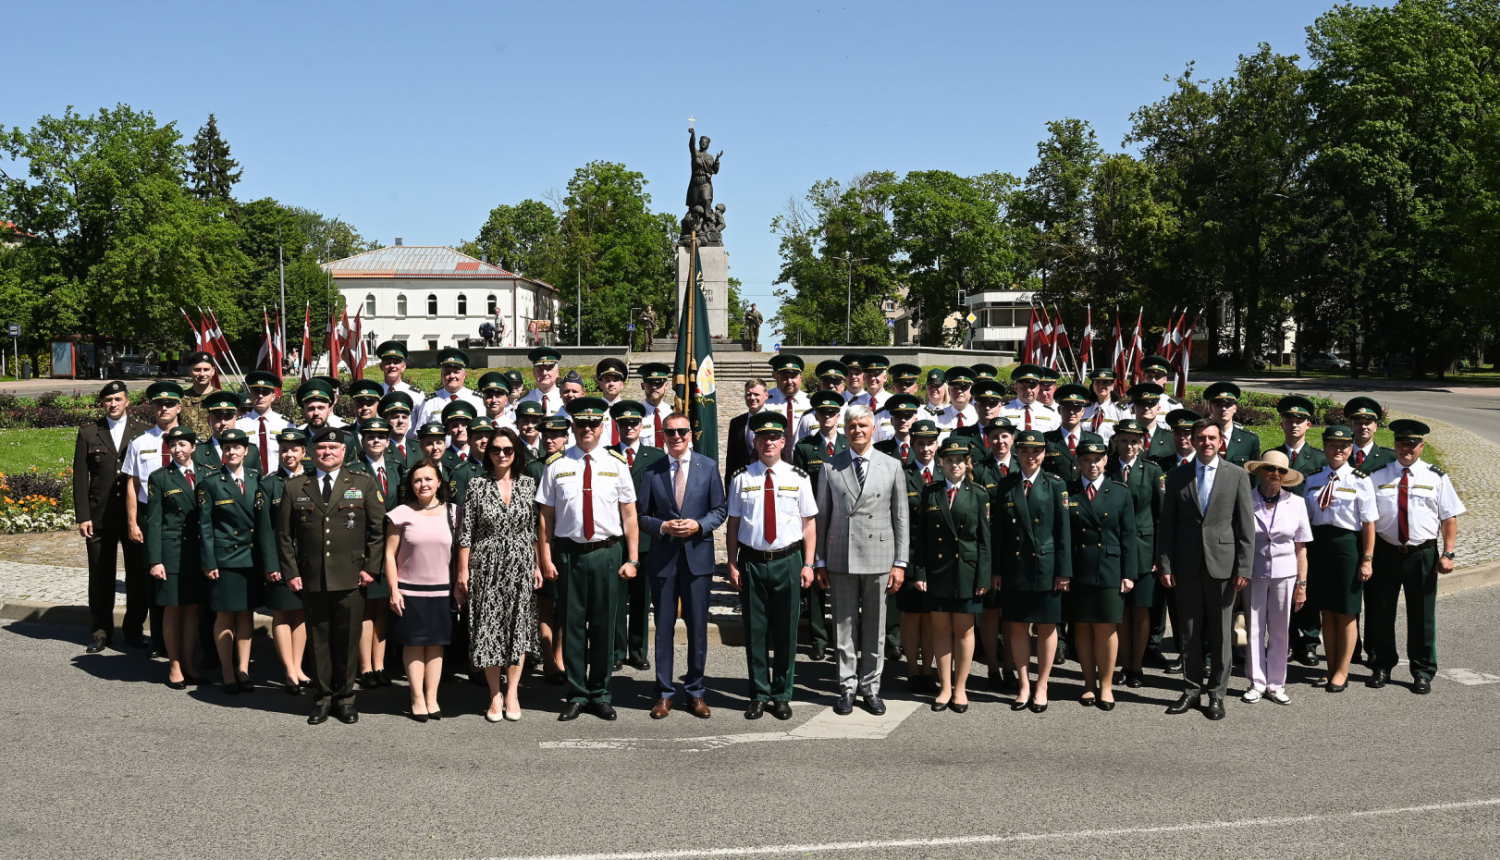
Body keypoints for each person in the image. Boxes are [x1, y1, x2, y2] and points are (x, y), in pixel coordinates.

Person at [535, 397, 641, 722]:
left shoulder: (616, 464)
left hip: (607, 553)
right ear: (573, 428)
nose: (587, 430)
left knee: (604, 625)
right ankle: (577, 693)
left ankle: (601, 694)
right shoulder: (556, 465)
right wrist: (545, 558)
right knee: (573, 627)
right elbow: (544, 519)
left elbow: (630, 516)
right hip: (569, 554)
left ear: (602, 426)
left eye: (593, 424)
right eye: (581, 424)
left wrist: (632, 559)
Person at [275, 427, 387, 725]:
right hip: (311, 577)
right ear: (312, 451)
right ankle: (323, 698)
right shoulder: (296, 486)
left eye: (333, 448)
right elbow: (284, 536)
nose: (327, 452)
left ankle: (346, 698)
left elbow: (378, 531)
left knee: (347, 640)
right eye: (321, 447)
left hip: (352, 576)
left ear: (344, 452)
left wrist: (371, 568)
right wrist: (291, 572)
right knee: (318, 639)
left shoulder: (362, 483)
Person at [813, 404, 908, 717]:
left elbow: (900, 518)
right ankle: (847, 686)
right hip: (842, 557)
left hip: (880, 558)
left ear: (873, 429)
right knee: (843, 628)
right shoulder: (830, 467)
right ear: (845, 429)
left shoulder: (892, 465)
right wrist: (820, 562)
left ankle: (871, 686)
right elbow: (822, 517)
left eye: (863, 426)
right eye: (852, 426)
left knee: (874, 629)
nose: (857, 431)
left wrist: (900, 563)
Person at [1158, 419, 1255, 720]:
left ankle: (1216, 694)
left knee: (1221, 634)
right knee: (1188, 632)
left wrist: (1244, 567)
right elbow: (1168, 525)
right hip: (1186, 566)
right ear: (1193, 440)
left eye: (1212, 437)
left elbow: (1245, 527)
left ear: (1220, 442)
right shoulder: (1178, 475)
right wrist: (1165, 564)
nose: (1206, 442)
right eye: (1201, 437)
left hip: (1223, 567)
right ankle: (1190, 690)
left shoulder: (1236, 475)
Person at [726, 411, 818, 720]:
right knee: (755, 632)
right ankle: (758, 694)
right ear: (755, 441)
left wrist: (808, 563)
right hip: (752, 561)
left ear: (783, 441)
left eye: (774, 437)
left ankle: (781, 694)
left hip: (788, 561)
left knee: (786, 632)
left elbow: (808, 525)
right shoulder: (742, 478)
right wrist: (732, 562)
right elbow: (733, 525)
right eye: (762, 437)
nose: (768, 442)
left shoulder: (798, 477)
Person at [637, 412, 728, 718]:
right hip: (663, 558)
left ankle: (696, 691)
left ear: (691, 434)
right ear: (663, 436)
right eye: (671, 433)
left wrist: (698, 525)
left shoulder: (708, 467)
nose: (676, 437)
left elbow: (720, 509)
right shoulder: (652, 471)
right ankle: (664, 693)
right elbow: (641, 516)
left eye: (682, 432)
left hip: (696, 557)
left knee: (698, 628)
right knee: (663, 629)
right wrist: (662, 527)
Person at [1365, 419, 1465, 694]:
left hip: (1422, 555)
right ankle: (1382, 665)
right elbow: (1368, 520)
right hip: (1386, 552)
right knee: (1381, 611)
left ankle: (1422, 671)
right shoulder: (1378, 475)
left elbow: (1449, 518)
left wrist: (1448, 553)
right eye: (1400, 444)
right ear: (1394, 445)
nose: (1405, 449)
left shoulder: (1436, 477)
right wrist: (1369, 557)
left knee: (1421, 615)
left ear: (1421, 446)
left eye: (1411, 444)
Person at [458, 427, 541, 721]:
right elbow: (465, 531)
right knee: (490, 628)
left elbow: (533, 530)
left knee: (517, 626)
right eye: (496, 450)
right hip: (486, 564)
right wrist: (462, 572)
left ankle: (513, 692)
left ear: (516, 452)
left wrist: (538, 564)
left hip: (520, 562)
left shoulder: (529, 484)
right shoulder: (476, 485)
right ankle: (494, 693)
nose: (502, 455)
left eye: (507, 449)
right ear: (487, 453)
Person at [993, 429, 1072, 713]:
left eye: (1036, 451)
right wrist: (997, 570)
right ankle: (1024, 684)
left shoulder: (1055, 485)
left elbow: (1063, 532)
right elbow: (999, 532)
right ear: (1017, 453)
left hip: (1047, 567)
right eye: (1025, 451)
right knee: (1016, 625)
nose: (1031, 457)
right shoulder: (1006, 484)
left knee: (1046, 627)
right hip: (1015, 566)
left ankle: (1042, 685)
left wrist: (1064, 571)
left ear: (1044, 454)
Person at [909, 439, 989, 713]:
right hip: (938, 572)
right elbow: (921, 539)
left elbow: (983, 541)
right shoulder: (930, 493)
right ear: (940, 463)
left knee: (965, 631)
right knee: (941, 631)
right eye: (948, 460)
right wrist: (919, 571)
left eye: (959, 460)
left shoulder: (978, 493)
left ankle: (961, 688)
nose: (954, 464)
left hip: (967, 571)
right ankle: (944, 687)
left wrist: (983, 578)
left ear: (967, 463)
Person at [195, 428, 275, 693]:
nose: (231, 452)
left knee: (246, 615)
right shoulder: (211, 482)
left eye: (237, 448)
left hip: (251, 558)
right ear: (222, 452)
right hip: (225, 558)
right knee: (225, 615)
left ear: (246, 451)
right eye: (226, 448)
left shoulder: (256, 479)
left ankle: (243, 670)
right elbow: (205, 526)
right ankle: (227, 672)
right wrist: (209, 561)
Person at [74, 380, 149, 654]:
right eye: (108, 400)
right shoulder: (89, 432)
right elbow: (80, 478)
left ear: (127, 401)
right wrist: (83, 516)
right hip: (99, 516)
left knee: (137, 577)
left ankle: (134, 630)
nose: (113, 404)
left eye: (118, 399)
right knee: (101, 575)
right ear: (102, 403)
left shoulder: (142, 432)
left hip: (134, 517)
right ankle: (101, 631)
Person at [1064, 433, 1138, 710]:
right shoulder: (1068, 491)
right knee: (1082, 628)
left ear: (1106, 460)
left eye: (1097, 459)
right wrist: (1063, 572)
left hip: (1109, 568)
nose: (1092, 465)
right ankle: (1088, 684)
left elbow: (1128, 536)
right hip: (1078, 567)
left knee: (1106, 629)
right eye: (1086, 460)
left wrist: (1128, 573)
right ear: (1079, 462)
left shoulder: (1120, 492)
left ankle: (1106, 685)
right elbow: (1063, 536)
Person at [1302, 426, 1377, 692]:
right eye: (1332, 445)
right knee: (1326, 611)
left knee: (1346, 612)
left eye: (1344, 446)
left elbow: (1369, 524)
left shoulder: (1360, 480)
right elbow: (1306, 518)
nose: (1338, 450)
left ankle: (1342, 671)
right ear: (1324, 447)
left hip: (1347, 548)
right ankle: (1330, 668)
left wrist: (1367, 559)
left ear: (1350, 449)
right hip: (1319, 547)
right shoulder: (1314, 478)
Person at [384, 460, 456, 721]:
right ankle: (416, 697)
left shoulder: (455, 513)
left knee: (436, 646)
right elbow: (389, 556)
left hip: (441, 591)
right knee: (413, 645)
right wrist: (393, 590)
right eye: (417, 480)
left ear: (439, 482)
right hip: (409, 591)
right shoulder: (400, 513)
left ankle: (432, 697)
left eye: (428, 479)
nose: (423, 484)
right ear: (411, 485)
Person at [1241, 450, 1312, 705]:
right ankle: (1256, 682)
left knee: (1281, 629)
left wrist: (1302, 584)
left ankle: (1276, 683)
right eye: (1270, 469)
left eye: (1281, 471)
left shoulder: (1297, 503)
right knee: (1254, 628)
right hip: (1252, 573)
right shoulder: (1245, 500)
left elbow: (1301, 547)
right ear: (1259, 471)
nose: (1275, 474)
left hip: (1285, 574)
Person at [122, 380, 186, 653]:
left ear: (179, 407)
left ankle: (189, 639)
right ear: (151, 407)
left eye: (169, 404)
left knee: (185, 575)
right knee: (155, 578)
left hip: (183, 515)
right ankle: (161, 640)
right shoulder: (140, 442)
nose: (164, 408)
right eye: (159, 404)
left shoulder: (190, 441)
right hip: (151, 515)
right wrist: (133, 522)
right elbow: (132, 484)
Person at [144, 426, 205, 688]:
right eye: (173, 445)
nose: (178, 450)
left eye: (183, 445)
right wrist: (155, 560)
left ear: (193, 447)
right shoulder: (161, 478)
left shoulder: (207, 474)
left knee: (192, 608)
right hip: (172, 551)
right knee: (172, 608)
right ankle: (175, 664)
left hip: (198, 552)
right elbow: (153, 522)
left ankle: (189, 662)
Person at [1107, 419, 1165, 689]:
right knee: (1121, 610)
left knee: (1141, 610)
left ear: (1141, 444)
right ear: (1115, 442)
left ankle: (1137, 666)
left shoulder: (1152, 471)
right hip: (1114, 547)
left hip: (1144, 548)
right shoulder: (1105, 468)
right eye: (1123, 440)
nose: (1128, 446)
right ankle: (1123, 663)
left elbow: (1160, 516)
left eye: (1134, 441)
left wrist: (1158, 556)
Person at [1272, 395, 1328, 667]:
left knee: (1309, 588)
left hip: (1310, 532)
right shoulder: (1272, 456)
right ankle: (1288, 640)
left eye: (1299, 420)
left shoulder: (1319, 458)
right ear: (1281, 423)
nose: (1293, 424)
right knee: (1282, 588)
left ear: (1308, 424)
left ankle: (1309, 643)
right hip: (1279, 533)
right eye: (1289, 420)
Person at [792, 389, 848, 661]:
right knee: (814, 580)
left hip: (843, 521)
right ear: (816, 415)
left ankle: (841, 638)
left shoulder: (849, 445)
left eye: (832, 412)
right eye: (822, 412)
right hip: (814, 521)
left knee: (841, 581)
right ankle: (818, 638)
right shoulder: (804, 447)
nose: (827, 416)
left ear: (839, 415)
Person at [610, 400, 664, 671]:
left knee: (642, 597)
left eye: (633, 423)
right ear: (616, 427)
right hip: (614, 535)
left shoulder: (655, 457)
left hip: (645, 537)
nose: (629, 427)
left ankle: (639, 649)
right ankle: (617, 650)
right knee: (616, 597)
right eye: (623, 424)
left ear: (641, 426)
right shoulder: (606, 455)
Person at [350, 417, 404, 688]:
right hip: (364, 546)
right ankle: (366, 667)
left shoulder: (395, 469)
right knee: (365, 610)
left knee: (382, 608)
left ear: (387, 440)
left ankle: (380, 664)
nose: (375, 441)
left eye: (381, 437)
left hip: (391, 547)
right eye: (370, 436)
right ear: (362, 440)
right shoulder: (353, 471)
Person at [262, 427, 312, 695]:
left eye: (294, 449)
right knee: (282, 613)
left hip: (307, 559)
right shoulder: (270, 484)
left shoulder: (313, 480)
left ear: (304, 453)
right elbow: (265, 529)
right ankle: (289, 671)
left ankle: (298, 666)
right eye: (284, 449)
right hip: (281, 560)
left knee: (302, 613)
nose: (288, 454)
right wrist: (270, 564)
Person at [973, 416, 1020, 690]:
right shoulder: (980, 471)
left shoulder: (1022, 465)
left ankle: (1011, 666)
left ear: (1012, 439)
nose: (1000, 441)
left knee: (1013, 614)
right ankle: (992, 665)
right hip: (990, 551)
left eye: (1005, 436)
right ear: (987, 440)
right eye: (994, 437)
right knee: (991, 612)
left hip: (1017, 551)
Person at [894, 419, 940, 691]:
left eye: (930, 443)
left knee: (933, 615)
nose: (925, 448)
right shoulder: (901, 472)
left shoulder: (946, 473)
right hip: (910, 554)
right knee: (912, 615)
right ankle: (912, 670)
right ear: (911, 445)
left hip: (939, 558)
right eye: (920, 443)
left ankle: (928, 671)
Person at [414, 347, 485, 432]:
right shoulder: (430, 402)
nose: (452, 376)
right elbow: (420, 434)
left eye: (456, 372)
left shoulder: (477, 400)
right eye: (447, 372)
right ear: (441, 375)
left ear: (464, 375)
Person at [236, 371, 291, 474]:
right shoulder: (239, 424)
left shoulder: (285, 424)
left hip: (278, 480)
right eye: (256, 392)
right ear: (250, 395)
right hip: (249, 480)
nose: (260, 396)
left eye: (265, 393)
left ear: (273, 397)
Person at [1202, 382, 1260, 467]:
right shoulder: (1200, 437)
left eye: (1228, 405)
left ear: (1235, 408)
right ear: (1210, 408)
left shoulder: (1249, 439)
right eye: (1219, 405)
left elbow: (1255, 475)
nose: (1223, 409)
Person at [766, 354, 811, 461]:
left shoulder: (810, 402)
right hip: (774, 459)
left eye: (794, 377)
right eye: (785, 378)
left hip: (803, 458)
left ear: (800, 378)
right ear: (776, 377)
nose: (789, 382)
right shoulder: (765, 400)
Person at [725, 378, 770, 486]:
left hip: (769, 479)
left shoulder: (776, 421)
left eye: (756, 394)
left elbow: (785, 455)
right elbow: (731, 458)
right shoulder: (736, 423)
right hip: (743, 481)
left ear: (766, 395)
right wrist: (728, 488)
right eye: (749, 394)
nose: (752, 398)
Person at [1043, 383, 1090, 481]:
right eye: (1067, 407)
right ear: (1059, 410)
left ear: (1083, 411)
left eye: (1076, 408)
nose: (1072, 412)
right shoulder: (1047, 440)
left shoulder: (1094, 440)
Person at [1000, 364, 1057, 432]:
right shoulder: (1003, 410)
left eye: (1032, 387)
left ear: (1038, 388)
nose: (1028, 391)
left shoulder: (1049, 412)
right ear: (1016, 388)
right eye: (1024, 387)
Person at [1345, 397, 1396, 473]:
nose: (1363, 427)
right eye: (1358, 423)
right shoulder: (1341, 455)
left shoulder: (1389, 458)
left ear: (1375, 427)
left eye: (1368, 423)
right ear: (1351, 426)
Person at [518, 346, 564, 415]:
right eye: (540, 369)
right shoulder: (523, 401)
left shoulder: (564, 400)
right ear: (534, 372)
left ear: (557, 372)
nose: (544, 373)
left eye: (549, 369)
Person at [1082, 370, 1127, 438]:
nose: (1101, 386)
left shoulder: (1121, 410)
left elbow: (1126, 436)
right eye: (1097, 382)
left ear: (1112, 387)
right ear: (1093, 387)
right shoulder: (1084, 409)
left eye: (1106, 382)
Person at [637, 362, 672, 448]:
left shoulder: (673, 413)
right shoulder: (637, 416)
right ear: (642, 386)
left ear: (666, 386)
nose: (654, 387)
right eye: (650, 383)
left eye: (658, 383)